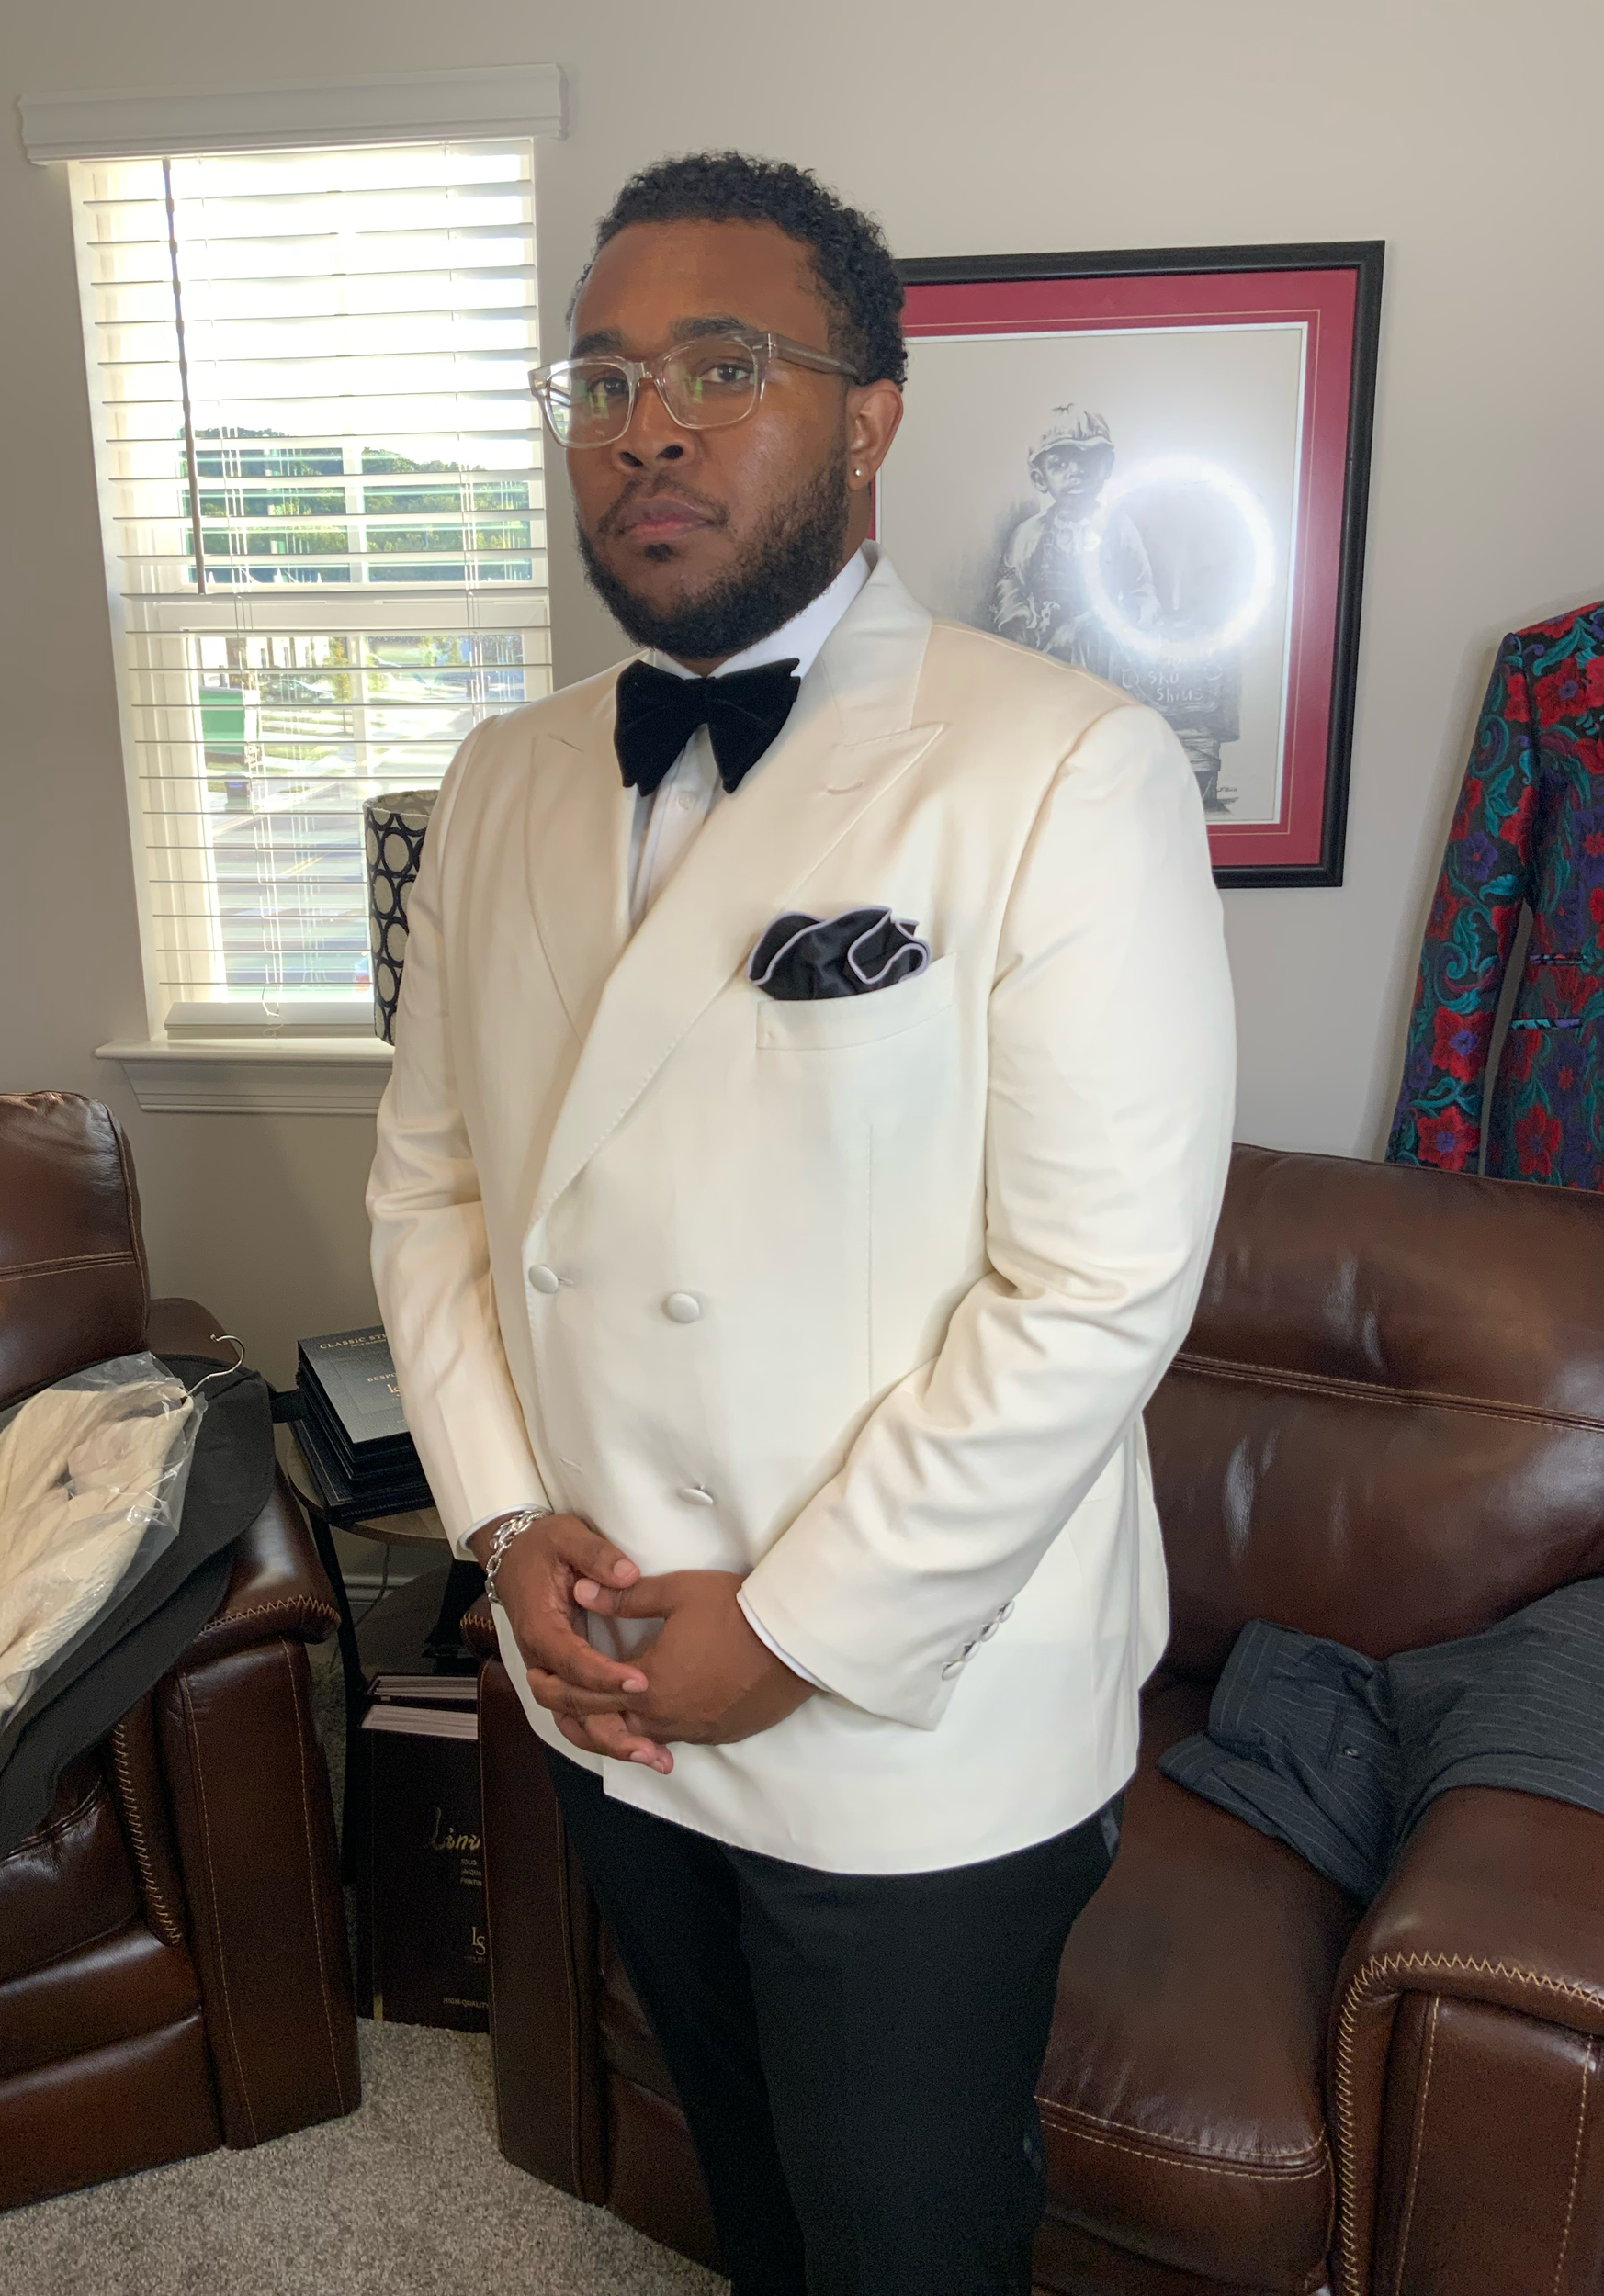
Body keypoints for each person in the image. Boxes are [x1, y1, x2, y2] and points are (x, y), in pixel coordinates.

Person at [368, 152, 1235, 2296]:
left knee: (902, 2238)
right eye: (593, 374)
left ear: (868, 417)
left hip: (902, 1713)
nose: (637, 425)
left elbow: (1090, 1287)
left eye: (717, 366)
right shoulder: (496, 776)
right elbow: (433, 1184)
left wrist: (798, 1628)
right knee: (736, 2183)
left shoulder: (1061, 767)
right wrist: (499, 1524)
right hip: (604, 1662)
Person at [993, 404, 1158, 675]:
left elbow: (1144, 597)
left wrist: (1089, 625)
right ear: (1040, 478)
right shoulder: (1029, 534)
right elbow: (1010, 589)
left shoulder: (1117, 530)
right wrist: (1019, 626)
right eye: (1060, 465)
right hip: (1041, 660)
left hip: (1106, 663)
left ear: (1107, 467)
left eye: (1088, 461)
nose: (1076, 473)